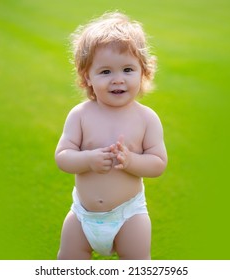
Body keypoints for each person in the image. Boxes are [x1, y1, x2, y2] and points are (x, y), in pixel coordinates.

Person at [55, 11, 167, 260]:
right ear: (87, 77)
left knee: (137, 262)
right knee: (68, 261)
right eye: (105, 72)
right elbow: (63, 156)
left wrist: (131, 162)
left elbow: (158, 164)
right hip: (83, 215)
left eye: (127, 69)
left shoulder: (146, 118)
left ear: (143, 72)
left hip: (128, 215)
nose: (118, 80)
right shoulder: (81, 114)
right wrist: (88, 160)